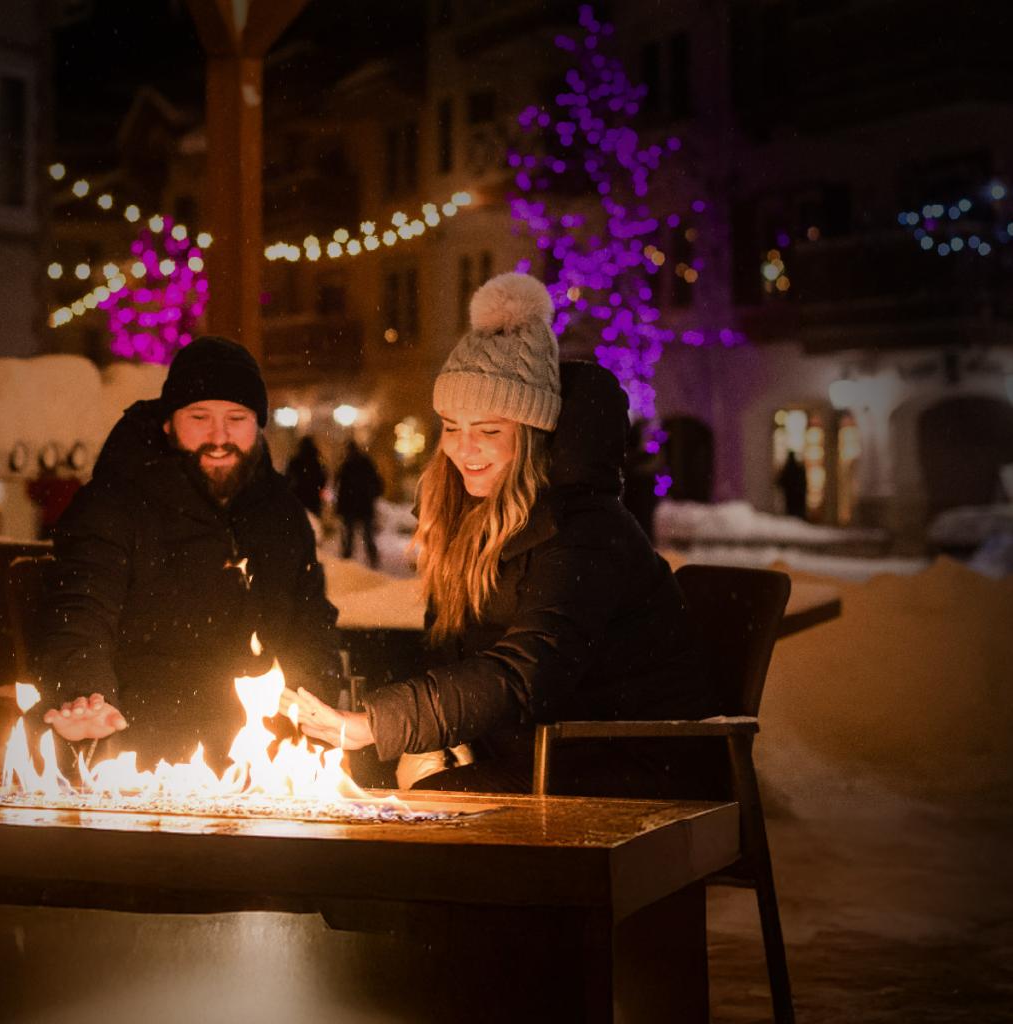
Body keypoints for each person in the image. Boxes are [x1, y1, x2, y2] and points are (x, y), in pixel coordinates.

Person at [283, 273, 717, 798]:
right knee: (358, 782)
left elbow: (526, 673)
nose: (465, 449)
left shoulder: (585, 530)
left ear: (531, 436)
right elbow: (451, 648)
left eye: (489, 431)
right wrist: (436, 741)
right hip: (535, 746)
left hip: (631, 762)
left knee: (424, 803)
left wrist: (375, 724)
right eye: (451, 426)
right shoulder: (465, 510)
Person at [35, 336, 343, 768]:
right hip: (145, 741)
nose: (219, 437)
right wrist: (87, 693)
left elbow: (310, 620)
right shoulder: (117, 501)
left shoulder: (281, 511)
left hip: (264, 747)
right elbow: (81, 606)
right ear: (168, 424)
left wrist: (314, 699)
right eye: (200, 417)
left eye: (236, 418)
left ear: (257, 425)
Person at [334, 440, 384, 567]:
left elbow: (338, 485)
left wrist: (340, 506)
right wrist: (373, 495)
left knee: (349, 535)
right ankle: (372, 559)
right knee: (367, 535)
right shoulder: (366, 463)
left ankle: (347, 559)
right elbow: (377, 481)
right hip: (364, 505)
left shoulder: (346, 464)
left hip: (350, 506)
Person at [285, 436, 327, 518]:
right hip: (313, 497)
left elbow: (288, 478)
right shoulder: (317, 463)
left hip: (299, 496)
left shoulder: (295, 462)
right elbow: (323, 479)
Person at [777, 450, 808, 520]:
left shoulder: (787, 468)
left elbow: (781, 481)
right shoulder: (798, 468)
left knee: (791, 510)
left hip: (790, 495)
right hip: (796, 495)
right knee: (796, 510)